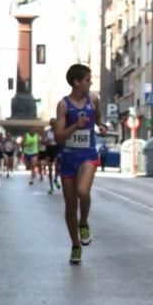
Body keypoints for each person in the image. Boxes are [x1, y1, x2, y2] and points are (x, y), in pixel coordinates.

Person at [53, 63, 106, 265]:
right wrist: (76, 125)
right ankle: (75, 244)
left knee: (83, 192)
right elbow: (58, 137)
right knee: (69, 205)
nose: (90, 82)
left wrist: (100, 125)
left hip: (88, 154)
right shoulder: (64, 105)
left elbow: (99, 117)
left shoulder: (93, 100)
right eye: (87, 80)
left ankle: (83, 222)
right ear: (76, 82)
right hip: (68, 157)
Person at [42, 118, 62, 194]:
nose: (53, 125)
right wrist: (47, 141)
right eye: (52, 123)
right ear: (50, 124)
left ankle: (56, 179)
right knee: (50, 169)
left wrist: (58, 140)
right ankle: (51, 187)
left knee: (58, 166)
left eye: (55, 123)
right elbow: (42, 142)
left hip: (57, 149)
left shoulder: (59, 131)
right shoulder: (47, 132)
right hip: (49, 149)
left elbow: (63, 140)